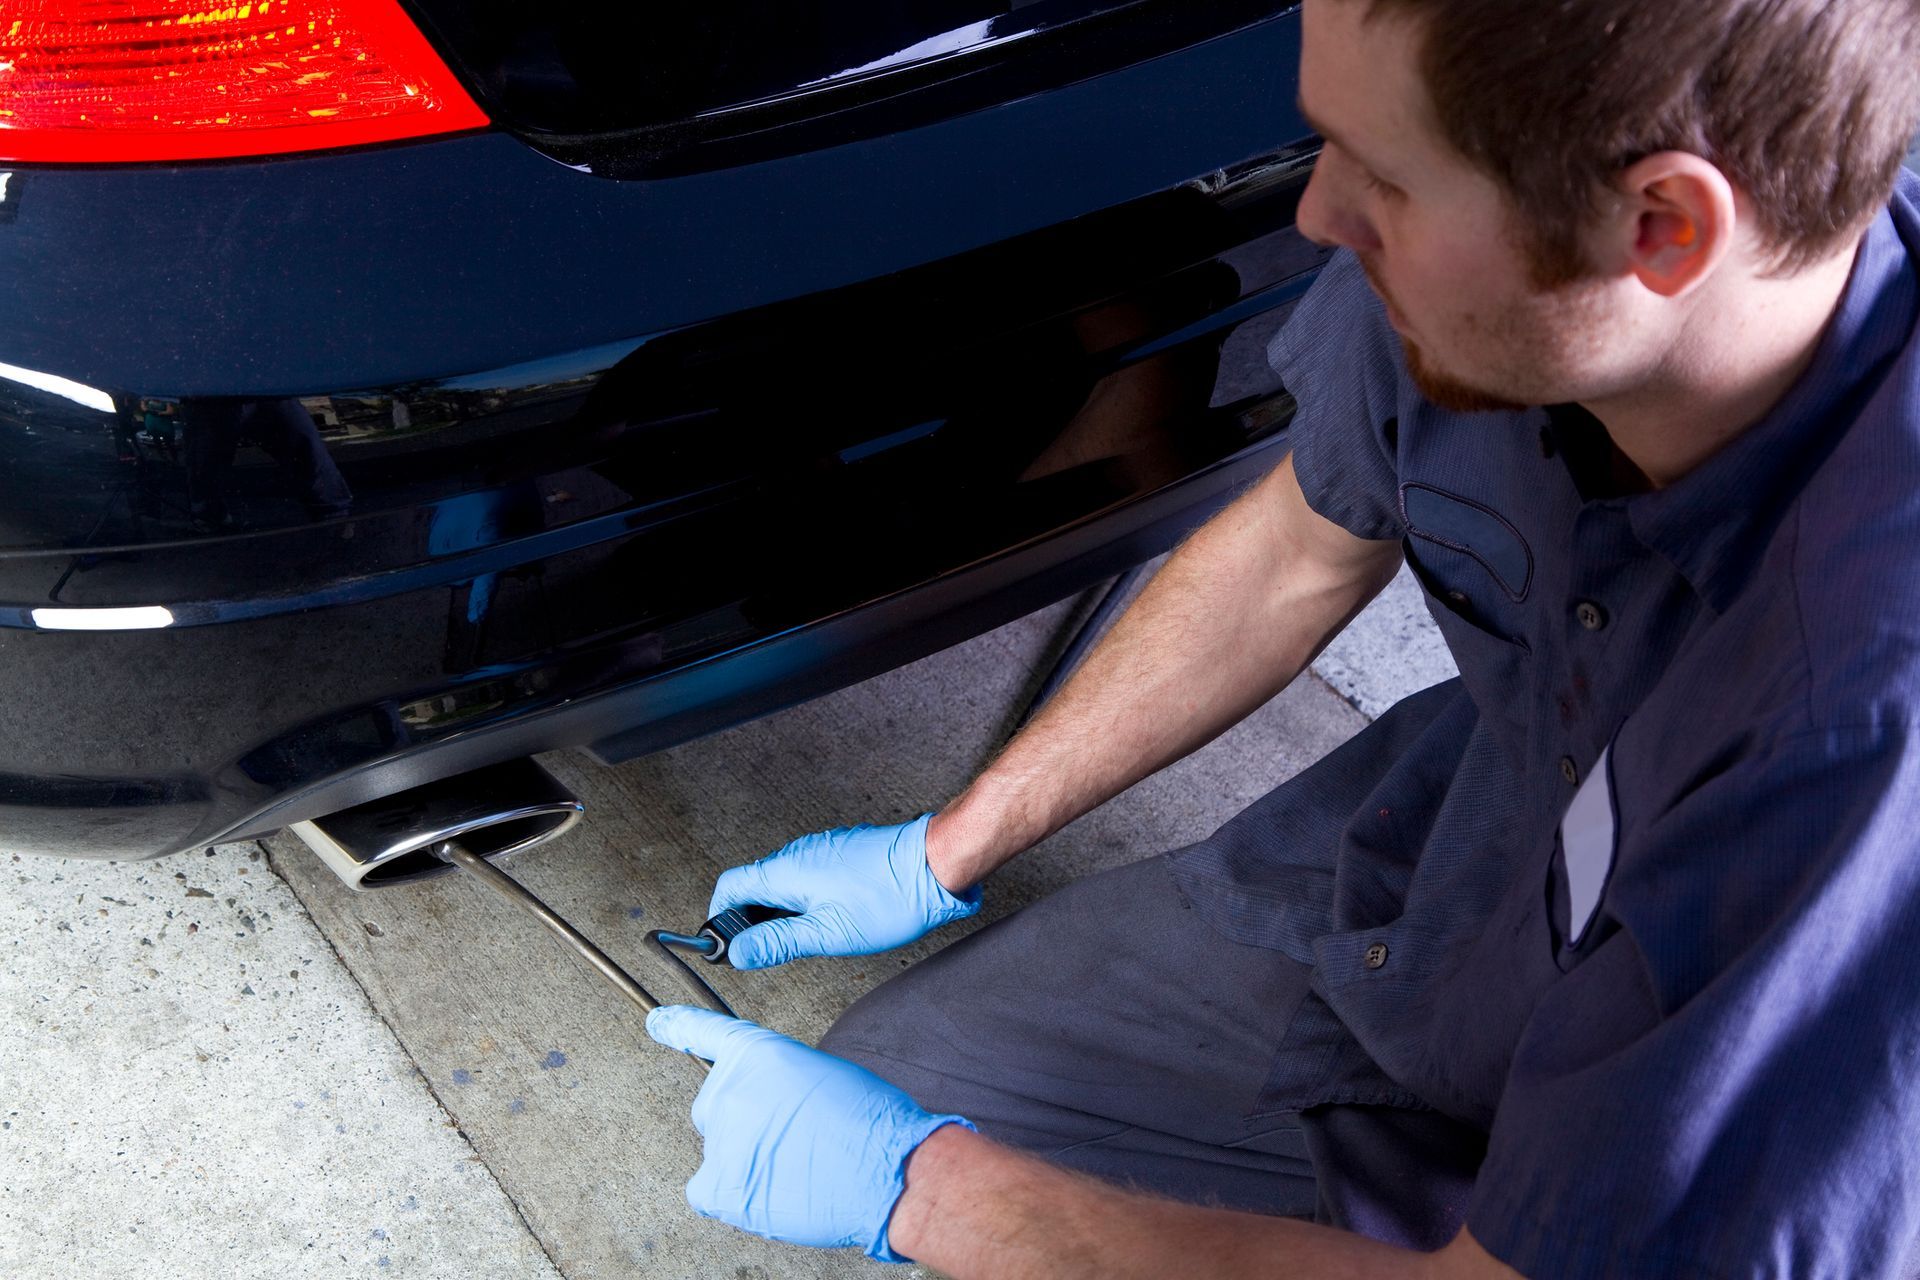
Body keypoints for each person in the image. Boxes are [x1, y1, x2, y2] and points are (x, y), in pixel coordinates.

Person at [644, 0, 1920, 1274]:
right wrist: (943, 845)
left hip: (1692, 1118)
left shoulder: (1851, 736)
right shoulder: (1494, 272)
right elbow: (1300, 546)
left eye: (1384, 177)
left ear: (1665, 229)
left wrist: (923, 1191)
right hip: (1439, 903)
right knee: (896, 1072)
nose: (1320, 216)